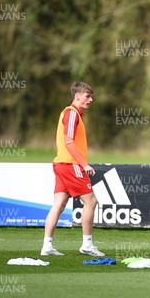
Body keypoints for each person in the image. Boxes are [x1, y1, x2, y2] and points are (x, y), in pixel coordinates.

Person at [40, 82, 104, 257]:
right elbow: (69, 142)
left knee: (59, 205)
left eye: (91, 96)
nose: (90, 100)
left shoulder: (73, 114)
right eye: (87, 96)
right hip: (70, 165)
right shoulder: (71, 113)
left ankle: (47, 246)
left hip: (61, 164)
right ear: (77, 96)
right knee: (91, 202)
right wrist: (84, 164)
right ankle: (87, 245)